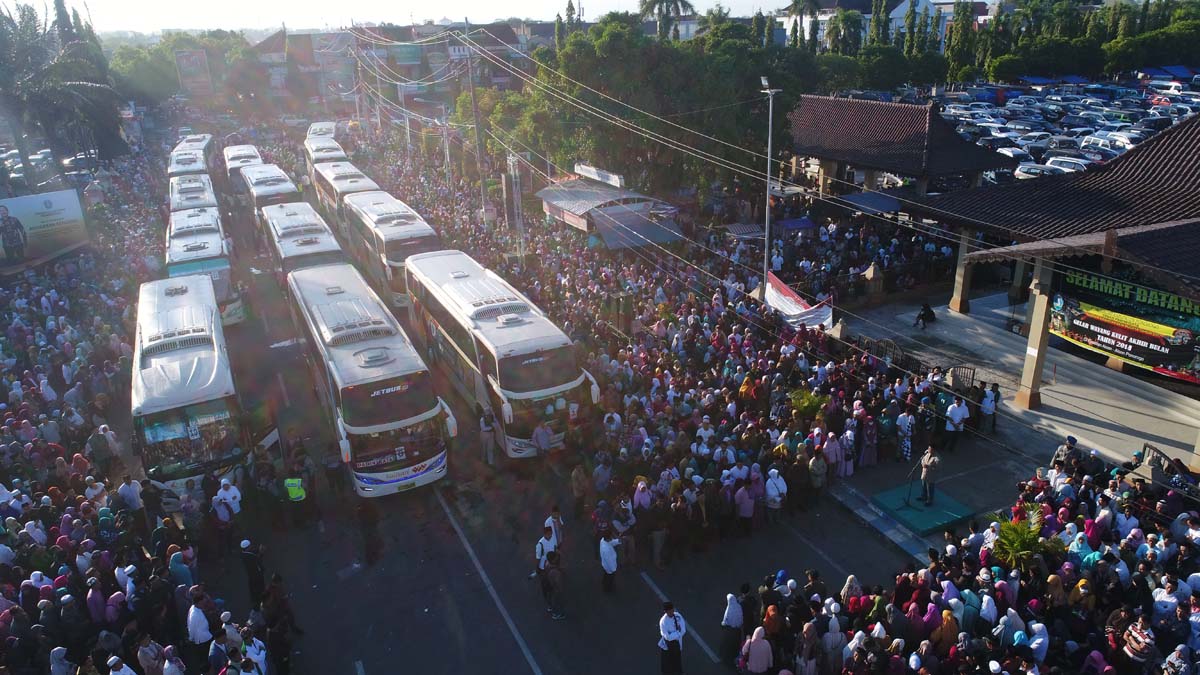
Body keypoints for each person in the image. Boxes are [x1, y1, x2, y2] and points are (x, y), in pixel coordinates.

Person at [658, 601, 687, 675]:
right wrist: (677, 633)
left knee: (677, 660)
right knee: (668, 664)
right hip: (668, 646)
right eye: (670, 611)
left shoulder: (678, 616)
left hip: (677, 644)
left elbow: (683, 630)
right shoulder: (663, 622)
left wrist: (673, 634)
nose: (672, 612)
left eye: (672, 610)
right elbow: (668, 637)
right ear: (665, 611)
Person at [546, 550, 566, 620]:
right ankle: (558, 614)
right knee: (557, 601)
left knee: (553, 599)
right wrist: (560, 590)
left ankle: (552, 608)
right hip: (555, 588)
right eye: (555, 558)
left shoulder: (547, 564)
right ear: (553, 560)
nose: (557, 558)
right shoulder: (555, 573)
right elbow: (559, 584)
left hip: (550, 585)